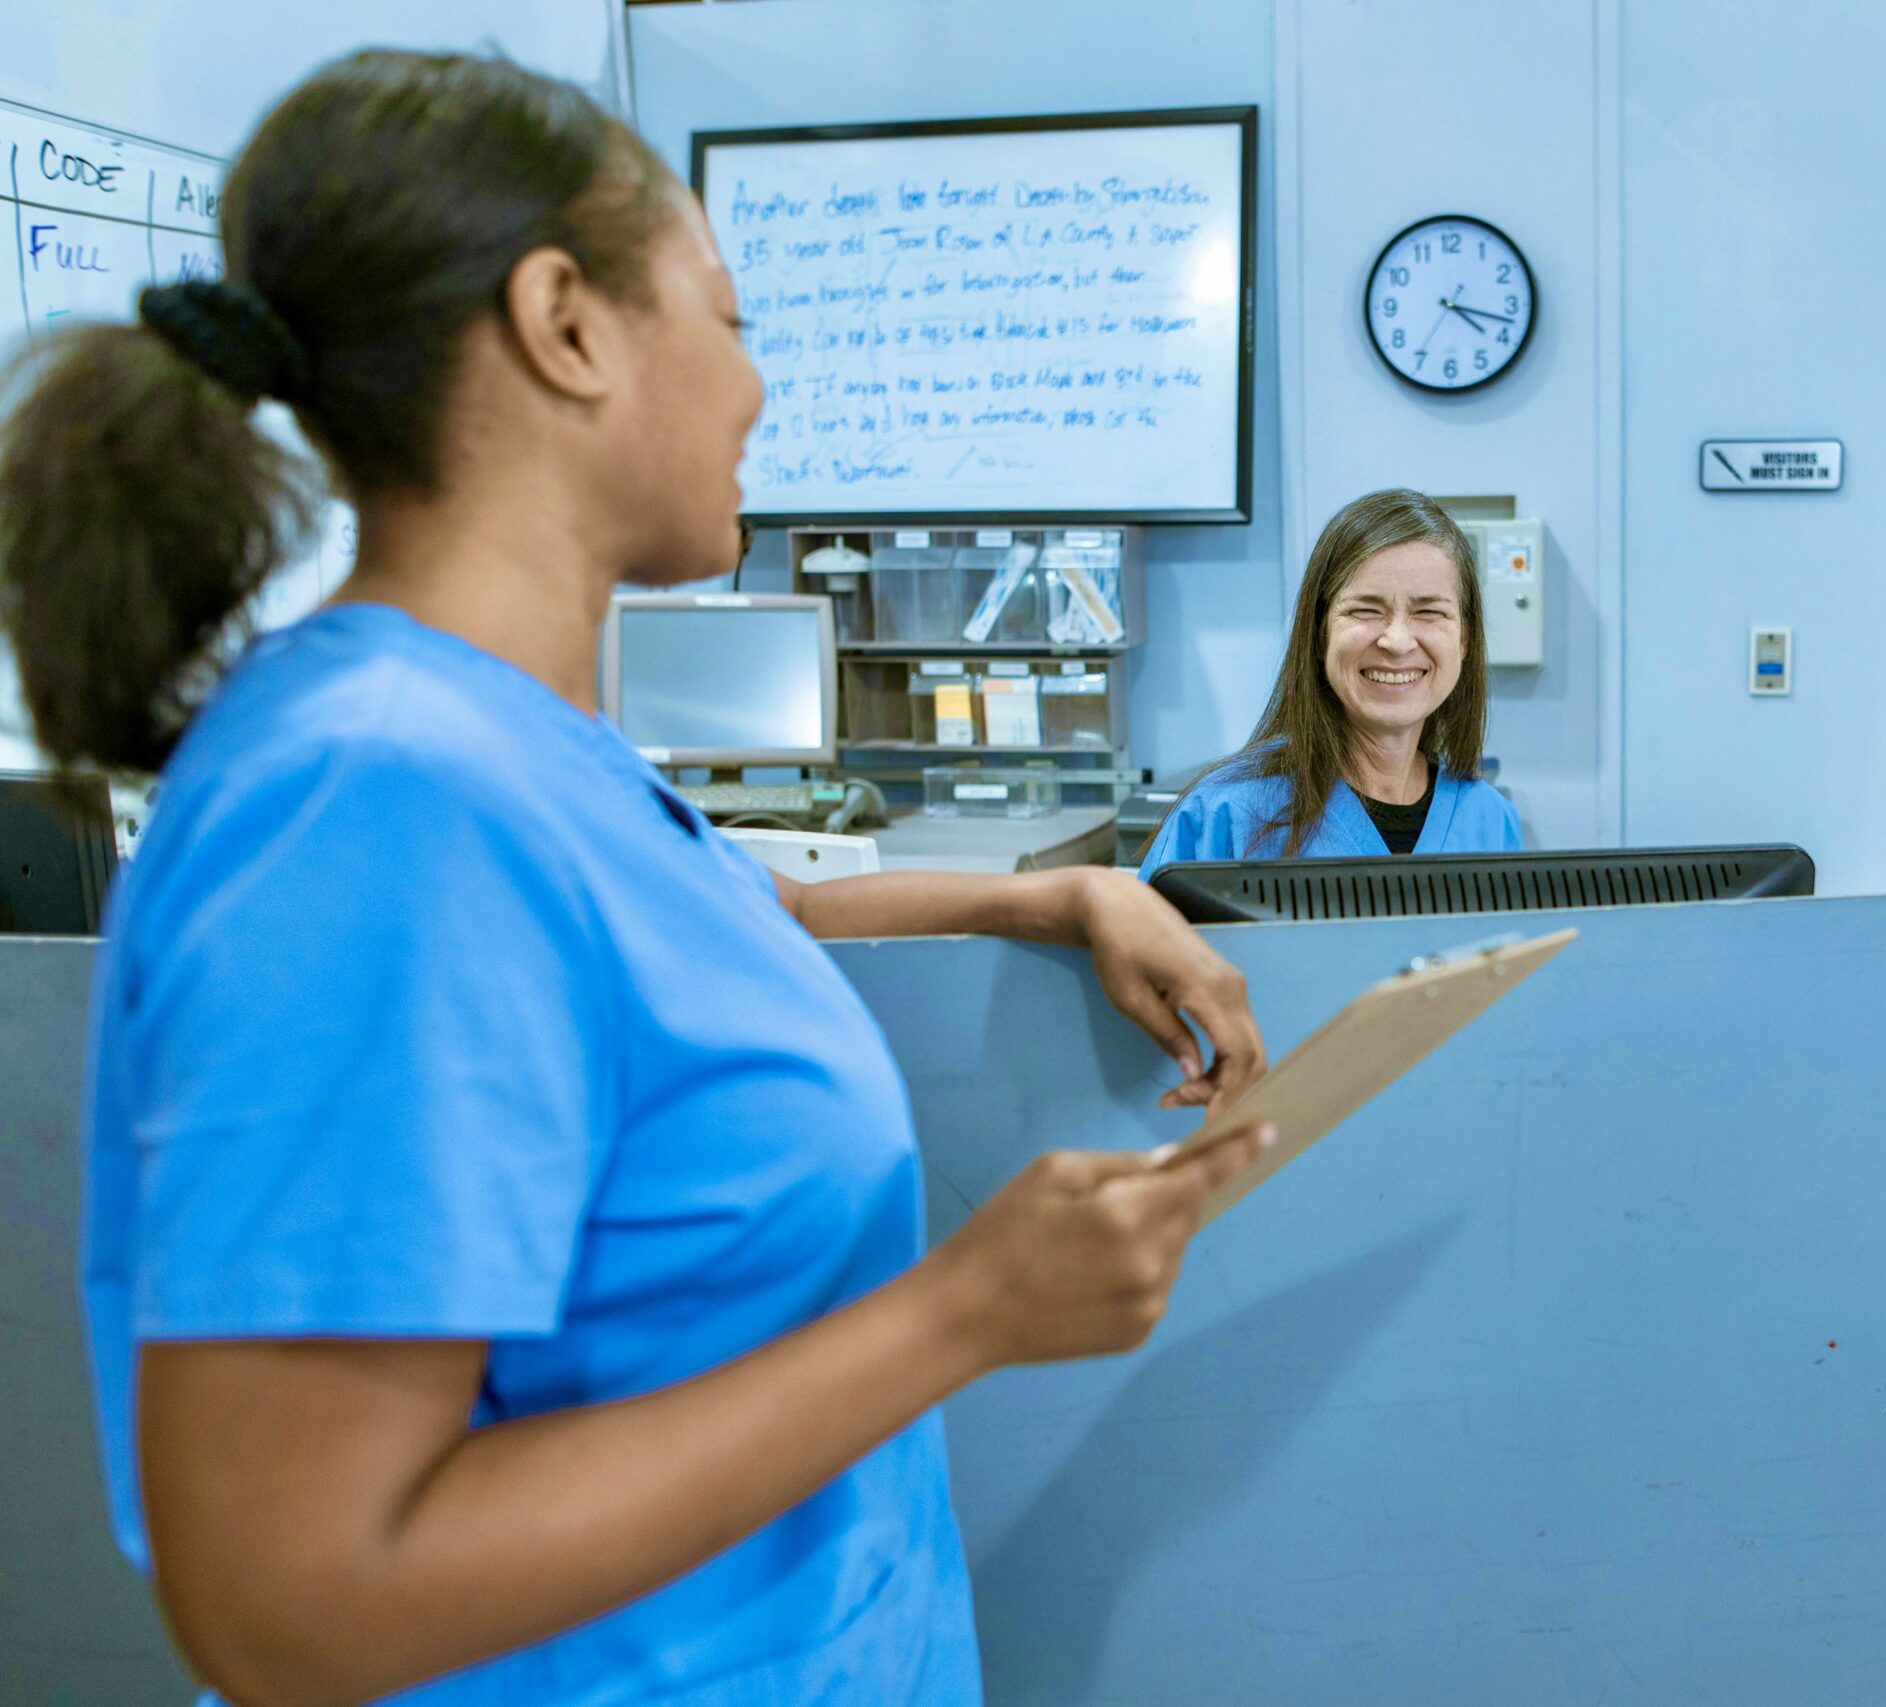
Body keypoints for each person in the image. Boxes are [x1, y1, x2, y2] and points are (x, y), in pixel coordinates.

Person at [0, 52, 1275, 1707]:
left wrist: (1043, 894)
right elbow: (288, 1599)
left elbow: (696, 945)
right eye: (732, 318)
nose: (757, 388)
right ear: (566, 322)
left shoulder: (509, 747)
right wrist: (962, 1311)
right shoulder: (370, 799)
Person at [1139, 488, 1522, 879]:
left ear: (1464, 640)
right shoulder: (1223, 815)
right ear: (1320, 634)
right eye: (1365, 610)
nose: (1397, 640)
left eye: (1429, 611)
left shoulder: (1492, 821)